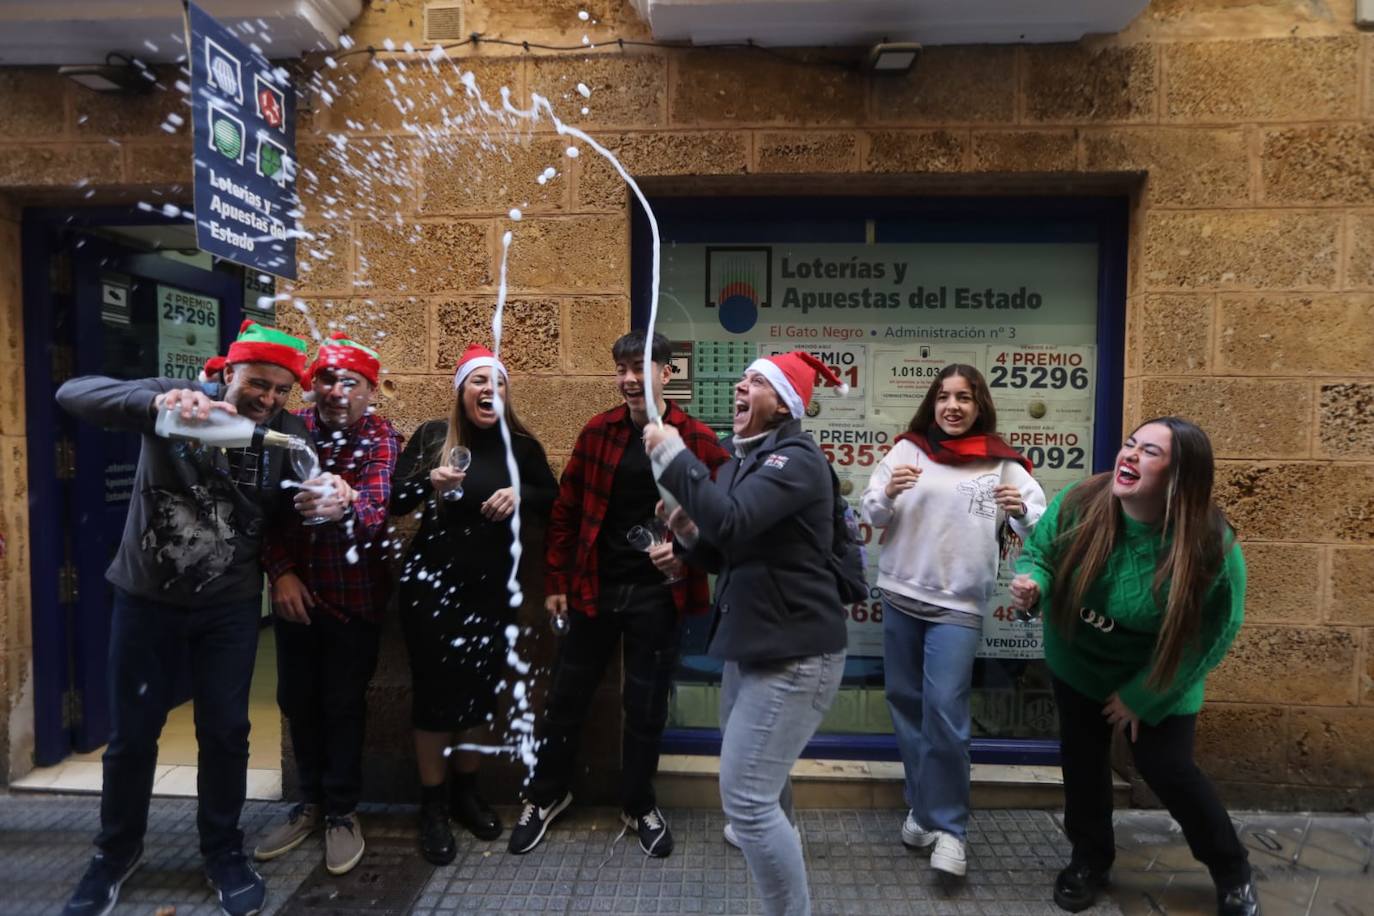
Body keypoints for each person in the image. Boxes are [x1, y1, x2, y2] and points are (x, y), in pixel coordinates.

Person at [55, 321, 309, 916]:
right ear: (226, 374)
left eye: (280, 390)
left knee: (225, 733)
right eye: (257, 384)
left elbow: (304, 502)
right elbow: (74, 393)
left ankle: (222, 850)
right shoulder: (175, 397)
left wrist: (332, 499)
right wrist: (156, 402)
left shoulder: (287, 434)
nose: (268, 400)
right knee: (132, 734)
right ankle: (115, 852)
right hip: (146, 599)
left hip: (229, 607)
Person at [1009, 417, 1258, 916]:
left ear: (1178, 475)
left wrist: (1144, 696)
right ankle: (1089, 861)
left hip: (1159, 669)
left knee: (1166, 768)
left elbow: (1213, 635)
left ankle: (1232, 871)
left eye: (1149, 452)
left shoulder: (1209, 544)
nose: (1129, 456)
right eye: (1129, 444)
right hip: (1078, 660)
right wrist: (1034, 582)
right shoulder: (1082, 503)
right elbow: (1043, 554)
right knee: (1083, 762)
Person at [508, 331, 729, 859]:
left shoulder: (695, 438)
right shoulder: (598, 432)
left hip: (660, 593)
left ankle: (637, 803)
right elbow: (564, 512)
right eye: (622, 369)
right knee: (566, 697)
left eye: (640, 368)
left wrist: (684, 550)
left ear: (666, 373)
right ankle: (547, 795)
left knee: (647, 705)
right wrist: (558, 581)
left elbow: (724, 513)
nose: (630, 379)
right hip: (595, 587)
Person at [645, 350, 848, 916]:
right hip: (753, 647)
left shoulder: (797, 459)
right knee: (761, 792)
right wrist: (686, 533)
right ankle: (776, 844)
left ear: (783, 403)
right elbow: (727, 546)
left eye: (756, 380)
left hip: (795, 654)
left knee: (747, 800)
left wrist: (674, 455)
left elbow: (731, 520)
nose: (739, 384)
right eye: (743, 376)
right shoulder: (740, 463)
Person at [860, 364, 1046, 877]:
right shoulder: (907, 450)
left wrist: (1019, 512)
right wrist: (888, 493)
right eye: (943, 397)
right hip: (901, 595)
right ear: (932, 403)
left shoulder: (1002, 463)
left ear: (979, 404)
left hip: (958, 607)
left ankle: (952, 830)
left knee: (945, 713)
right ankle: (923, 809)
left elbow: (1039, 528)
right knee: (907, 705)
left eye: (964, 397)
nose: (952, 407)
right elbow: (871, 513)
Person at [390, 344, 558, 865]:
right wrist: (427, 482)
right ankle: (433, 806)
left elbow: (553, 499)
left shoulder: (521, 447)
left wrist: (518, 494)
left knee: (482, 696)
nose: (490, 390)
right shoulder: (433, 438)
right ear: (461, 392)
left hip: (492, 592)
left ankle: (467, 792)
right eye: (478, 382)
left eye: (498, 383)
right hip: (431, 590)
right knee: (436, 699)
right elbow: (394, 501)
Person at [253, 333, 402, 876]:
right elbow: (263, 517)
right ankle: (310, 804)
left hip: (353, 602)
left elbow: (374, 510)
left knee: (343, 705)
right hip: (296, 600)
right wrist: (281, 572)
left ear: (370, 392)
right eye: (327, 379)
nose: (337, 391)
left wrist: (346, 500)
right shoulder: (287, 432)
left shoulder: (383, 437)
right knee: (297, 700)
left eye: (351, 382)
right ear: (312, 385)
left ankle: (342, 811)